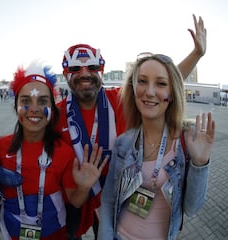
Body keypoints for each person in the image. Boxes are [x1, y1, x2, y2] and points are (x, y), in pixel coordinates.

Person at [56, 14, 207, 239]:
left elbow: (160, 84)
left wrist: (196, 54)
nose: (85, 73)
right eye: (76, 68)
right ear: (66, 73)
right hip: (77, 195)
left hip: (119, 195)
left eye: (92, 66)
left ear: (101, 70)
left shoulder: (117, 99)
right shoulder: (57, 113)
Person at [98, 52, 215, 239]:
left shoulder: (185, 143)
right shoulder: (123, 143)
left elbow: (192, 208)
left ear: (172, 93)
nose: (149, 92)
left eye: (161, 83)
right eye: (142, 81)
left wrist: (200, 164)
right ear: (134, 88)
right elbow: (109, 201)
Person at [0, 62, 108, 240]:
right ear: (15, 105)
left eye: (42, 101)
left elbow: (76, 201)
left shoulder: (64, 152)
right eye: (26, 101)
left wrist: (84, 187)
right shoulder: (1, 146)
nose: (34, 108)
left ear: (53, 107)